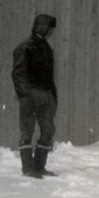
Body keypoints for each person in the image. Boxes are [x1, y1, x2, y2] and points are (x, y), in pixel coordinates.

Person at [12, 14, 59, 178]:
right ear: (43, 27)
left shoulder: (46, 48)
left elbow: (49, 76)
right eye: (50, 29)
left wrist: (53, 97)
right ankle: (28, 168)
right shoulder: (25, 47)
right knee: (27, 131)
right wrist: (25, 95)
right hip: (31, 94)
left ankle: (39, 166)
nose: (51, 32)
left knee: (48, 130)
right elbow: (18, 74)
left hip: (46, 95)